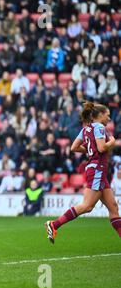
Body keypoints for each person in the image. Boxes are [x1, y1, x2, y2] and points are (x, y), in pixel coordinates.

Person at [46, 101, 121, 243]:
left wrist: (88, 149)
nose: (109, 119)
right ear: (100, 115)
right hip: (98, 169)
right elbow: (101, 148)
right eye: (108, 115)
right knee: (87, 206)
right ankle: (54, 224)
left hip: (97, 170)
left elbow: (74, 147)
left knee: (113, 207)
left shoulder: (86, 129)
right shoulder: (99, 127)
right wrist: (112, 142)